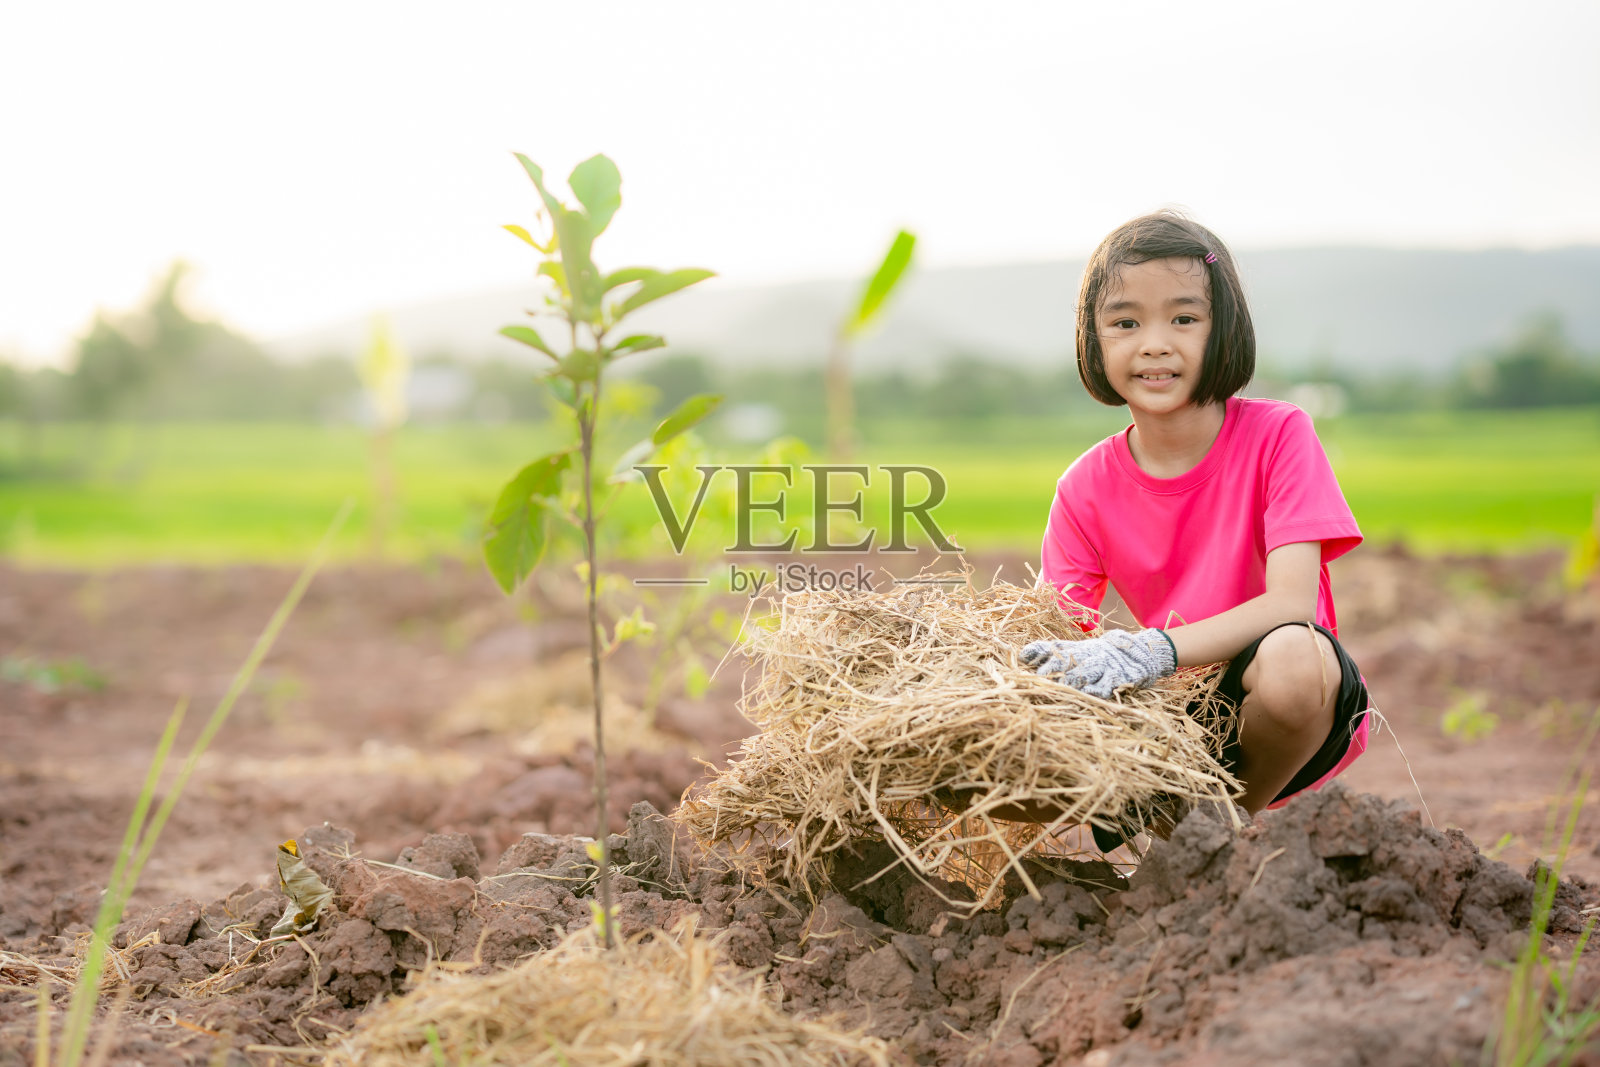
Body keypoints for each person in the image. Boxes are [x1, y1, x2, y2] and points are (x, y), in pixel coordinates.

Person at [1022, 210, 1371, 848]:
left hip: (1293, 705)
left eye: (1184, 318)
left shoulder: (1278, 434)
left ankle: (1209, 840)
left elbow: (1293, 605)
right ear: (1093, 341)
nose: (1154, 343)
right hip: (1179, 724)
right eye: (1125, 323)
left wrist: (1148, 650)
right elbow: (1055, 634)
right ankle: (1178, 833)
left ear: (1224, 329)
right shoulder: (1084, 486)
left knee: (1293, 655)